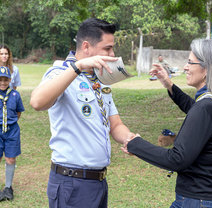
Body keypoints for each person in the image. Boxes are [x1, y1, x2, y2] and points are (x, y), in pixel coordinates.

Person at [29, 18, 135, 208]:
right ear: (86, 46)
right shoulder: (60, 72)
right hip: (72, 183)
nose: (112, 54)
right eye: (107, 48)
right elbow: (37, 102)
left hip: (98, 182)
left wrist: (130, 138)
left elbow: (115, 124)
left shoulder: (99, 78)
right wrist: (77, 67)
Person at [123, 39, 212, 208]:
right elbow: (195, 110)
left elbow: (177, 159)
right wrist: (168, 83)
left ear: (207, 69)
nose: (185, 67)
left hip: (201, 201)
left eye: (190, 62)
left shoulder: (206, 107)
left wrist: (136, 145)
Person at [0, 66, 24, 201]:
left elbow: (18, 112)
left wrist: (9, 123)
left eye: (5, 80)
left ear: (10, 80)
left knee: (10, 159)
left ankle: (8, 188)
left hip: (12, 131)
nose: (3, 82)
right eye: (0, 79)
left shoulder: (15, 95)